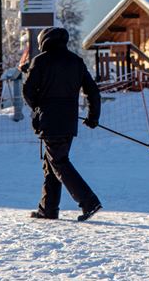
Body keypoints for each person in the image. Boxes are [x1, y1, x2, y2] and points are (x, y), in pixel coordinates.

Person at [23, 26, 102, 222]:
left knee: (58, 162)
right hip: (68, 122)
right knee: (52, 164)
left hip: (50, 121)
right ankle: (48, 209)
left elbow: (28, 90)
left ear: (44, 41)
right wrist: (93, 117)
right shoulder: (76, 61)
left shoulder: (40, 61)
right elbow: (93, 92)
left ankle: (89, 201)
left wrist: (38, 107)